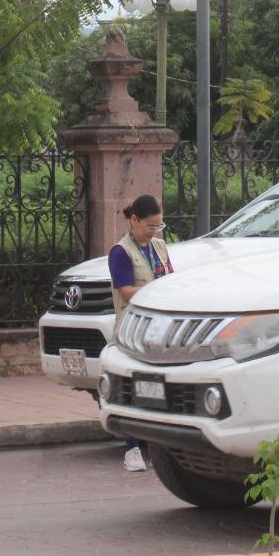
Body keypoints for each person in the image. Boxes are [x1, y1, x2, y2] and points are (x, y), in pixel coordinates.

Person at [109, 194, 173, 472]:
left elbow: (170, 276)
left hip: (159, 328)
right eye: (150, 226)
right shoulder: (120, 252)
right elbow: (125, 290)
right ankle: (131, 448)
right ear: (134, 220)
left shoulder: (159, 246)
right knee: (132, 386)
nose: (155, 232)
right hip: (132, 328)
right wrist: (157, 289)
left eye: (159, 226)